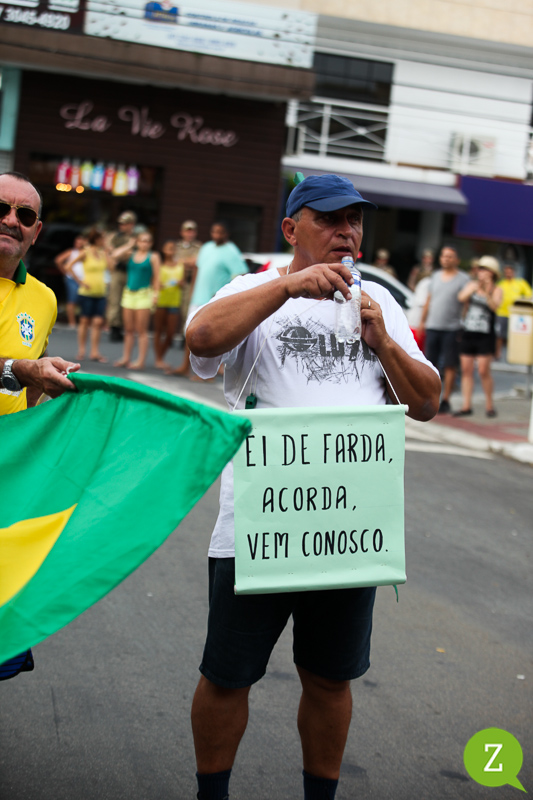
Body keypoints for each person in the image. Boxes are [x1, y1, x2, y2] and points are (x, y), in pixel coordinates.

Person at [185, 173, 441, 800]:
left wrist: (383, 343)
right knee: (228, 675)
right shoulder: (251, 288)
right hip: (260, 527)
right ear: (291, 228)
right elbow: (201, 342)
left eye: (354, 219)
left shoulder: (379, 301)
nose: (346, 231)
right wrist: (287, 288)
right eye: (329, 218)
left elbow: (427, 402)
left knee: (329, 679)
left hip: (346, 531)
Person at [0, 171, 80, 679]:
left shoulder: (45, 299)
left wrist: (43, 383)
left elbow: (29, 392)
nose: (11, 220)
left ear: (35, 231)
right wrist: (19, 369)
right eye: (1, 209)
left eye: (24, 215)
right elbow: (19, 371)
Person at [169, 221, 246, 377]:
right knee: (190, 332)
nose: (216, 235)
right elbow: (197, 269)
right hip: (198, 297)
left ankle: (205, 374)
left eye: (220, 232)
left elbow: (240, 274)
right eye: (214, 232)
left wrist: (226, 294)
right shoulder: (206, 247)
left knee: (208, 336)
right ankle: (185, 367)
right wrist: (192, 292)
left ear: (226, 234)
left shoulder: (231, 251)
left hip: (215, 300)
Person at [418, 245, 469, 414]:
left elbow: (466, 304)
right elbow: (429, 300)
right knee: (429, 363)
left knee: (449, 364)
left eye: (450, 256)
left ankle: (446, 399)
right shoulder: (435, 276)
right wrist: (423, 322)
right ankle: (428, 397)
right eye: (444, 256)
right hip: (433, 325)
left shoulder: (463, 279)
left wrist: (463, 323)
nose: (446, 259)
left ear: (457, 260)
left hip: (452, 328)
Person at [454, 255, 502, 418]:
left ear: (492, 273)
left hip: (485, 335)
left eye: (484, 269)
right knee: (466, 370)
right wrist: (474, 288)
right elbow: (461, 297)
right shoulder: (472, 285)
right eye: (480, 269)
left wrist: (486, 292)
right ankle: (466, 405)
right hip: (468, 332)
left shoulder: (496, 290)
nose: (480, 272)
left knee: (483, 370)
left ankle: (489, 405)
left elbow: (495, 307)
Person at [113, 230, 160, 370]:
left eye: (148, 241)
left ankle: (140, 360)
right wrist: (130, 244)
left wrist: (156, 294)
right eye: (142, 240)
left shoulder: (153, 256)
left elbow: (157, 276)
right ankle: (126, 357)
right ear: (137, 241)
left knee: (141, 330)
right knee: (128, 329)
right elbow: (115, 255)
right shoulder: (130, 254)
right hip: (129, 293)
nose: (145, 243)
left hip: (144, 294)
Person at [65, 228, 112, 363]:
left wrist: (108, 252)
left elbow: (111, 268)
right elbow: (69, 266)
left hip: (100, 292)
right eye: (102, 239)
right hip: (87, 292)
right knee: (85, 321)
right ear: (97, 239)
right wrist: (80, 282)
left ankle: (95, 352)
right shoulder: (85, 252)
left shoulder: (103, 253)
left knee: (98, 322)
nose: (104, 241)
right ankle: (81, 350)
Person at [106, 210, 137, 341]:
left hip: (132, 271)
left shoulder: (137, 237)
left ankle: (126, 327)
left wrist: (121, 254)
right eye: (121, 224)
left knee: (129, 300)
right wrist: (126, 250)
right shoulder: (115, 237)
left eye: (125, 224)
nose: (122, 226)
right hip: (118, 271)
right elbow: (111, 252)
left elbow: (135, 255)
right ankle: (114, 327)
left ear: (131, 224)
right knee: (115, 299)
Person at [153, 239, 185, 369]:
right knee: (159, 330)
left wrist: (181, 283)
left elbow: (183, 282)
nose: (170, 250)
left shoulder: (180, 265)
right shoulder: (159, 265)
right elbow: (154, 281)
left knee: (171, 332)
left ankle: (161, 356)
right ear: (163, 250)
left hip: (174, 301)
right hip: (161, 300)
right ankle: (158, 359)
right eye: (168, 248)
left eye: (173, 248)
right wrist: (157, 285)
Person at [496, 263, 532, 356]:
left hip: (515, 314)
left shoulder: (520, 283)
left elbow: (529, 295)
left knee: (514, 335)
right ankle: (498, 353)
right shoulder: (501, 284)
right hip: (501, 312)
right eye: (506, 272)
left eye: (510, 272)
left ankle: (513, 353)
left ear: (514, 272)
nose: (508, 274)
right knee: (499, 335)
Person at [55, 233, 86, 328]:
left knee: (84, 301)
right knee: (72, 300)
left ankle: (83, 322)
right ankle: (72, 322)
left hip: (85, 280)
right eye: (77, 242)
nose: (78, 244)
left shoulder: (86, 252)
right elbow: (58, 260)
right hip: (73, 279)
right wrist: (65, 272)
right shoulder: (71, 252)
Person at [175, 220, 202, 334]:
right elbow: (173, 261)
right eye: (187, 231)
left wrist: (182, 261)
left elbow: (196, 262)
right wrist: (187, 261)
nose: (189, 234)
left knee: (187, 308)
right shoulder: (176, 246)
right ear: (182, 232)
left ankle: (184, 334)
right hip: (175, 281)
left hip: (190, 281)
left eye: (192, 231)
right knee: (173, 309)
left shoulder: (198, 247)